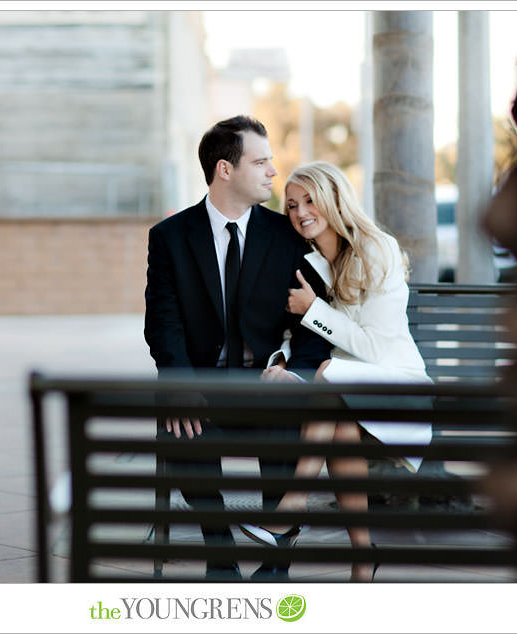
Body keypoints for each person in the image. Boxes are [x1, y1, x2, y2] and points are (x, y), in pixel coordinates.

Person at [144, 116, 332, 580]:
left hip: (265, 378)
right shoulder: (169, 237)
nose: (273, 172)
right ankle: (221, 554)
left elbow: (310, 323)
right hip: (203, 380)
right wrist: (180, 384)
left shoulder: (285, 236)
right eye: (261, 161)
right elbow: (162, 323)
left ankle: (275, 564)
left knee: (289, 413)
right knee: (179, 423)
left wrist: (290, 367)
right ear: (225, 169)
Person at [239, 161, 433, 582]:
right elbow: (309, 338)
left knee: (327, 376)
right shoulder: (310, 258)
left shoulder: (375, 248)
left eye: (310, 200)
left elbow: (376, 349)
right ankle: (364, 557)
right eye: (291, 205)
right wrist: (283, 361)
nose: (301, 212)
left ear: (334, 199)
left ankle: (291, 506)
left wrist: (314, 311)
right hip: (349, 389)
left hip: (398, 382)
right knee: (339, 424)